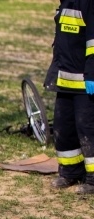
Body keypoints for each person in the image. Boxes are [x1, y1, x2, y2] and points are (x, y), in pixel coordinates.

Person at [44, 0, 94, 195]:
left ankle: (92, 179)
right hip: (64, 81)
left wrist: (92, 74)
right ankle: (70, 172)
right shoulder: (66, 2)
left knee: (88, 130)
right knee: (63, 128)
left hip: (85, 83)